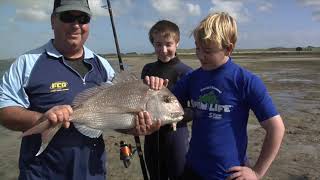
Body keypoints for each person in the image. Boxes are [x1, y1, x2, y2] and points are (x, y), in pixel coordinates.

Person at [0, 0, 162, 179]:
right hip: (41, 174)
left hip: (93, 174)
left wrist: (136, 127)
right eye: (68, 17)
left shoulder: (102, 65)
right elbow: (4, 112)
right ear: (53, 21)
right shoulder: (27, 63)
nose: (76, 25)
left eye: (83, 18)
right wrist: (43, 118)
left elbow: (112, 118)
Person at [169, 12, 285, 179]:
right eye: (197, 48)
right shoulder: (192, 78)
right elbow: (165, 103)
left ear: (228, 48)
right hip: (192, 170)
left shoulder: (245, 81)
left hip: (229, 175)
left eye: (208, 50)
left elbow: (276, 128)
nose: (200, 55)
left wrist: (257, 173)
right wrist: (155, 86)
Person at [141, 20, 192, 180]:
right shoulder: (148, 70)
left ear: (177, 43)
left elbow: (195, 110)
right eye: (158, 44)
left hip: (176, 136)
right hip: (151, 137)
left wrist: (173, 117)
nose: (163, 50)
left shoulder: (186, 72)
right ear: (153, 44)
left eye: (168, 44)